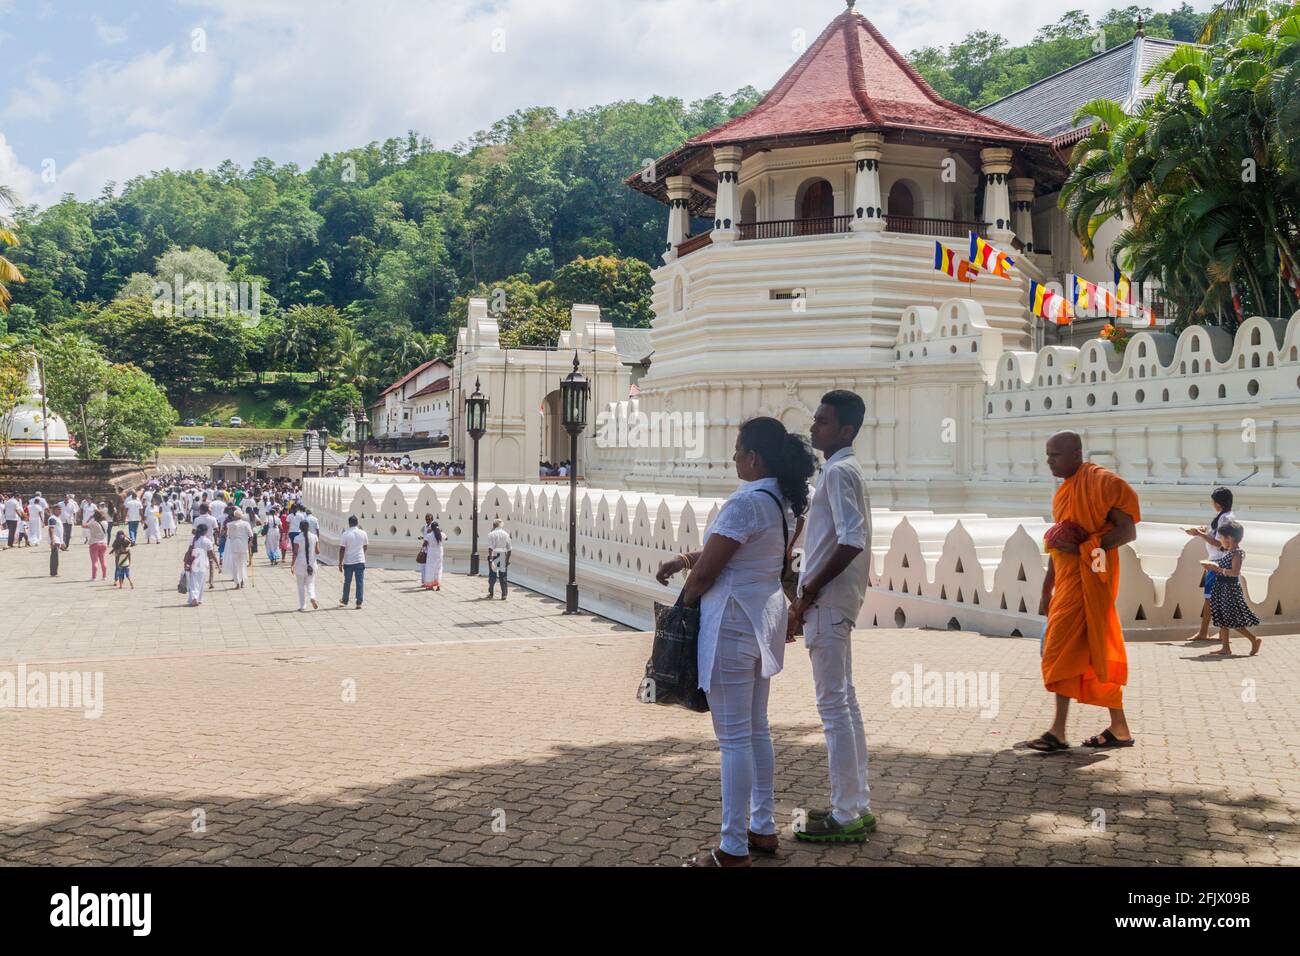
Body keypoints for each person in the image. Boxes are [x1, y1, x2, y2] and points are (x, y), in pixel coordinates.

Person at [654, 416, 816, 867]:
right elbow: (733, 554)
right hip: (761, 616)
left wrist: (682, 607)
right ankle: (761, 828)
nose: (733, 458)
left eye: (738, 449)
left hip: (731, 623)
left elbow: (710, 572)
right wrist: (684, 558)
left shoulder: (745, 502)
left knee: (733, 740)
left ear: (754, 458)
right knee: (756, 729)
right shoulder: (784, 502)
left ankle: (732, 847)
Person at [787, 390, 875, 843]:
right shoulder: (844, 470)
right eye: (815, 420)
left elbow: (851, 539)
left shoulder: (839, 472)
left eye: (823, 422)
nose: (814, 427)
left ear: (845, 430)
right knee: (845, 703)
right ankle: (855, 804)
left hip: (828, 602)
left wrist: (811, 590)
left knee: (833, 708)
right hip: (838, 602)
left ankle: (846, 814)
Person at [1028, 431, 1141, 752]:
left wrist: (1085, 544)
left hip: (1090, 581)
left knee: (1063, 650)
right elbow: (1058, 545)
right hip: (1066, 584)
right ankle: (1118, 728)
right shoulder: (1064, 493)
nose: (1049, 461)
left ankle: (1059, 731)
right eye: (1047, 455)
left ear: (1076, 454)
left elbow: (1127, 531)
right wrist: (1045, 590)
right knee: (1080, 653)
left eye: (1055, 455)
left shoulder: (1102, 483)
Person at [1183, 487, 1236, 643]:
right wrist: (1204, 531)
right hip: (1219, 560)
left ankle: (1204, 632)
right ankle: (1213, 632)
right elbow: (1216, 537)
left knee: (1210, 599)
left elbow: (1219, 543)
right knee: (1216, 599)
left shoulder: (1224, 519)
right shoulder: (1225, 516)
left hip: (1218, 561)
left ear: (1217, 503)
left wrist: (1199, 534)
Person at [1203, 519, 1262, 656]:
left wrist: (1217, 569)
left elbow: (1235, 572)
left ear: (1229, 538)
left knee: (1231, 619)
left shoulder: (1237, 553)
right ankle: (1225, 648)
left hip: (1229, 589)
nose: (1221, 541)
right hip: (1221, 587)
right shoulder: (1229, 551)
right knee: (1222, 618)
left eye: (1222, 537)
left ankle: (1253, 639)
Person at [338, 515, 369, 609]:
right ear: (357, 523)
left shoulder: (346, 534)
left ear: (349, 523)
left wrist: (340, 562)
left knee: (347, 582)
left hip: (348, 561)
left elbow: (342, 549)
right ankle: (359, 602)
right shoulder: (363, 533)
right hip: (359, 560)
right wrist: (361, 554)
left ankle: (344, 600)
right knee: (359, 582)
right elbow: (365, 546)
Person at [291, 519, 319, 611]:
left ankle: (302, 606)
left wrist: (292, 564)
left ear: (300, 527)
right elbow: (318, 551)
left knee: (300, 585)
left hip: (300, 563)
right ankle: (312, 596)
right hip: (311, 563)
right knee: (310, 582)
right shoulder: (314, 537)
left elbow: (295, 552)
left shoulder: (297, 538)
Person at [186, 526, 217, 607]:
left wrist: (186, 562)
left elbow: (189, 551)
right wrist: (217, 563)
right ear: (206, 532)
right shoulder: (207, 541)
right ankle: (198, 598)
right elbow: (211, 554)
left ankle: (194, 598)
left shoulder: (194, 539)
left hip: (194, 561)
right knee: (201, 581)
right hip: (203, 562)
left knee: (194, 581)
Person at [224, 509, 254, 589]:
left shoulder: (229, 524)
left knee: (235, 565)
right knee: (243, 564)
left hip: (234, 546)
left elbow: (228, 536)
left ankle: (237, 583)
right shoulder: (246, 524)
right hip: (244, 546)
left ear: (234, 516)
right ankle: (242, 581)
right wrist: (250, 542)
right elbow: (251, 535)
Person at [486, 519, 511, 600]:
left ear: (494, 525)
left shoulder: (491, 534)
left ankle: (491, 593)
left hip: (494, 554)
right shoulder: (506, 534)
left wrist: (490, 559)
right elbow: (509, 549)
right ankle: (504, 594)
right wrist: (507, 560)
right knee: (503, 576)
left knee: (492, 575)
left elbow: (490, 548)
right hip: (503, 554)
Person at [420, 517, 444, 591]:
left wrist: (422, 551)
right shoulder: (441, 534)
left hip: (431, 553)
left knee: (430, 569)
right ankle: (438, 585)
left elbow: (424, 544)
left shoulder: (429, 535)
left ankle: (430, 586)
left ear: (432, 528)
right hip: (439, 553)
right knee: (438, 569)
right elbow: (446, 538)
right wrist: (440, 531)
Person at [86, 509, 110, 581]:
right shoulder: (105, 523)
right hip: (104, 543)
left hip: (94, 543)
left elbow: (84, 525)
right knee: (103, 561)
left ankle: (94, 577)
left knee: (95, 561)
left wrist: (90, 518)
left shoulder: (93, 523)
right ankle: (104, 576)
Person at [47, 503, 67, 576]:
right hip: (55, 539)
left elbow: (59, 531)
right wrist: (53, 540)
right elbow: (51, 529)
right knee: (54, 556)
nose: (60, 511)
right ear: (54, 510)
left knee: (56, 556)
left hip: (58, 539)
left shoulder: (57, 518)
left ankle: (54, 571)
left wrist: (62, 541)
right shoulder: (52, 518)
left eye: (60, 509)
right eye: (58, 509)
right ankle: (53, 572)